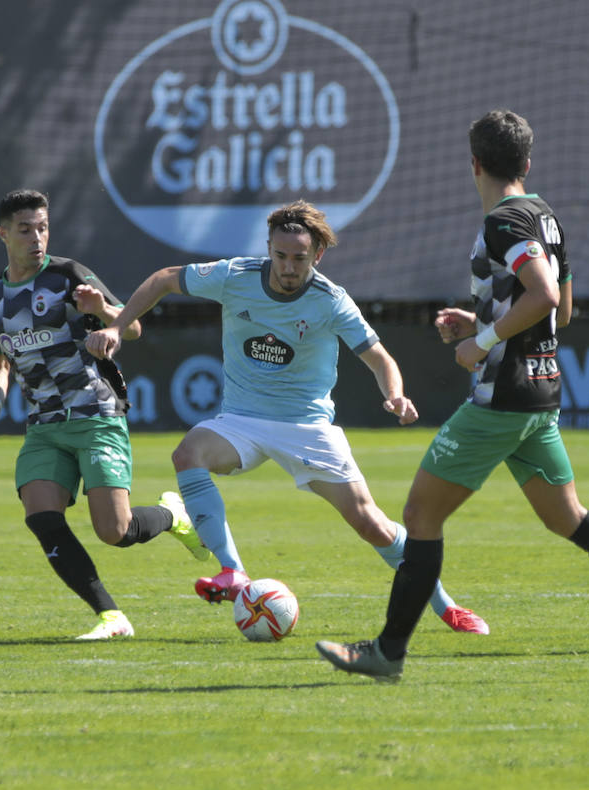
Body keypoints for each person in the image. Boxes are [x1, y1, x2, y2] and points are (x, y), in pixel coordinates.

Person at [315, 110, 589, 681]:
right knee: (566, 516)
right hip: (541, 391)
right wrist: (479, 318)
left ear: (473, 164)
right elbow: (564, 309)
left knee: (420, 514)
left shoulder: (502, 220)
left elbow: (545, 296)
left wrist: (482, 341)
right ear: (527, 163)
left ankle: (388, 653)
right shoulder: (545, 216)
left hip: (505, 396)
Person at [85, 200, 490, 636]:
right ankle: (233, 572)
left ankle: (447, 607)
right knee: (188, 454)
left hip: (307, 428)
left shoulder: (331, 300)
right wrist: (116, 324)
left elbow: (380, 358)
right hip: (242, 420)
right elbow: (165, 279)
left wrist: (395, 395)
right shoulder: (235, 276)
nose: (288, 267)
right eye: (280, 256)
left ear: (317, 256)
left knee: (371, 524)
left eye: (299, 258)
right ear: (269, 249)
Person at [0, 189, 202, 641]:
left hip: (95, 414)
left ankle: (174, 517)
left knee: (115, 532)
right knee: (40, 515)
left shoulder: (66, 276)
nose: (36, 237)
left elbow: (130, 326)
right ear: (3, 234)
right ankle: (111, 616)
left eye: (42, 227)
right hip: (43, 426)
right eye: (25, 229)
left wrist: (101, 312)